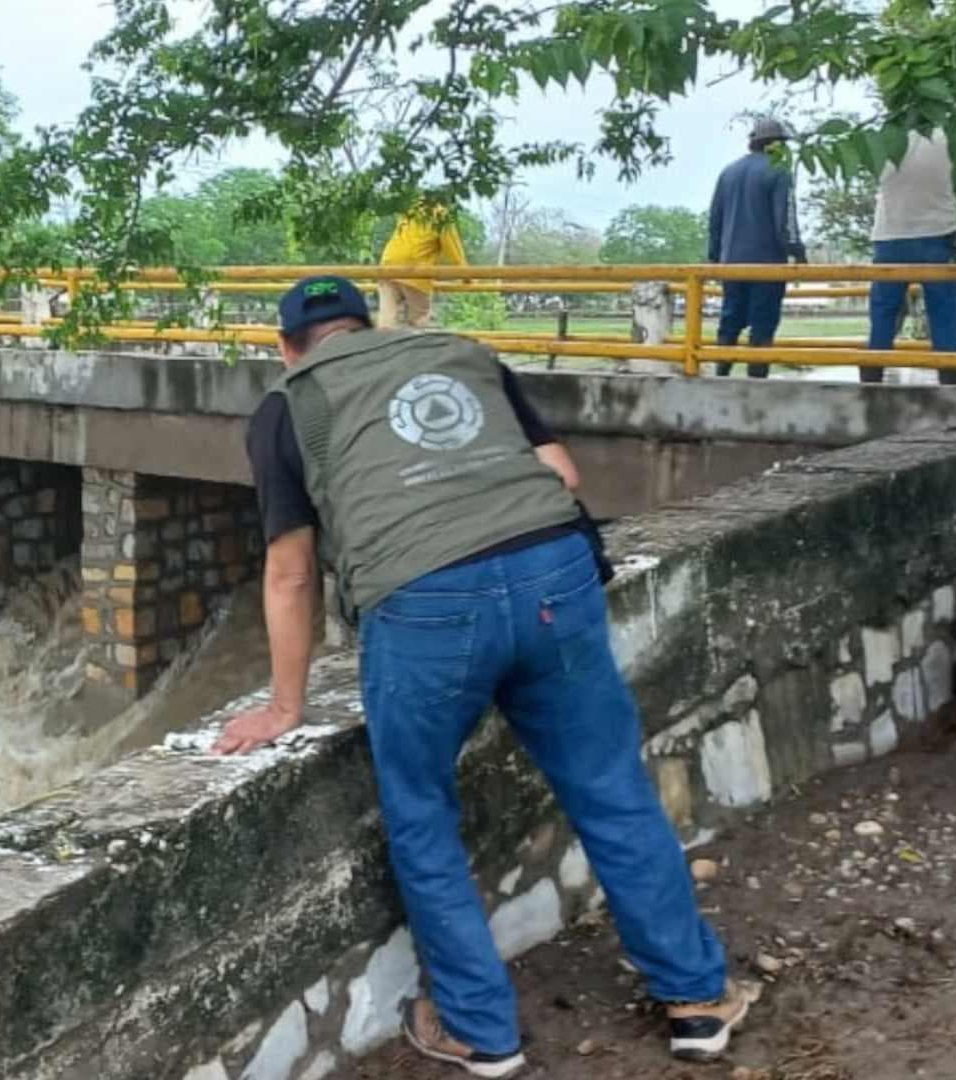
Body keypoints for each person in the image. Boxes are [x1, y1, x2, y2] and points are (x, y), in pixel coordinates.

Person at [218, 275, 756, 1078]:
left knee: (422, 812)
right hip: (553, 575)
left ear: (287, 346)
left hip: (426, 606)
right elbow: (562, 474)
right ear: (368, 327)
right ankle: (698, 1002)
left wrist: (285, 704)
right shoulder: (460, 352)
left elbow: (292, 572)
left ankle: (481, 1031)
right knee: (609, 785)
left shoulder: (288, 406)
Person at [861, 130, 956, 386]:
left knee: (884, 311)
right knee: (943, 311)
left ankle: (872, 377)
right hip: (937, 233)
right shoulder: (950, 136)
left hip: (890, 235)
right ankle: (950, 377)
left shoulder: (884, 139)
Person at [707, 117, 807, 378]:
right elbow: (785, 221)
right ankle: (757, 381)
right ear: (776, 145)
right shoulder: (778, 171)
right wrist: (798, 252)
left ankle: (721, 375)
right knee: (762, 325)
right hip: (767, 264)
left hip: (731, 263)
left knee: (729, 321)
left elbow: (714, 220)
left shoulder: (728, 172)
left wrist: (714, 259)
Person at [378, 201, 467, 328]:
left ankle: (382, 344)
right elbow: (453, 248)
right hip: (414, 268)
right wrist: (466, 274)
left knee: (387, 316)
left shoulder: (411, 209)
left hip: (388, 263)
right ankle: (417, 346)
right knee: (420, 317)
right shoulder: (441, 215)